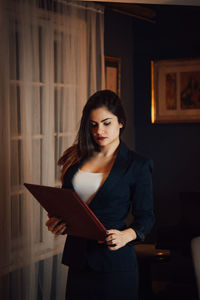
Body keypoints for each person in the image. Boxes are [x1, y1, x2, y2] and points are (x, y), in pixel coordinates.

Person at [45, 90, 154, 300]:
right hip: (78, 264)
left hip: (115, 266)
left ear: (121, 122)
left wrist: (125, 236)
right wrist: (56, 222)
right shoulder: (75, 158)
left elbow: (146, 218)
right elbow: (68, 206)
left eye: (106, 123)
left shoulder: (137, 165)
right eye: (93, 124)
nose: (99, 130)